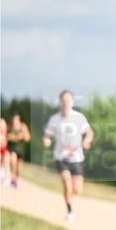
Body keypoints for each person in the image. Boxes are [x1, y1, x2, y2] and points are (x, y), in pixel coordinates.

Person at [43, 90, 94, 220]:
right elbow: (48, 134)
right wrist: (47, 140)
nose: (66, 103)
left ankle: (71, 197)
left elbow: (89, 132)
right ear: (60, 102)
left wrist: (87, 140)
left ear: (72, 102)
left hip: (77, 158)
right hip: (61, 157)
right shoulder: (54, 119)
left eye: (68, 100)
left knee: (77, 190)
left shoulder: (79, 117)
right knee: (67, 183)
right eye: (64, 100)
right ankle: (70, 211)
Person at [7, 112, 32, 188]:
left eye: (16, 119)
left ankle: (15, 180)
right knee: (12, 160)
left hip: (20, 150)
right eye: (14, 119)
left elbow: (28, 138)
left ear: (19, 119)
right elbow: (7, 137)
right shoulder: (10, 127)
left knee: (19, 169)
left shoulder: (23, 127)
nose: (15, 121)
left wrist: (23, 136)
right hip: (12, 149)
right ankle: (12, 178)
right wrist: (16, 137)